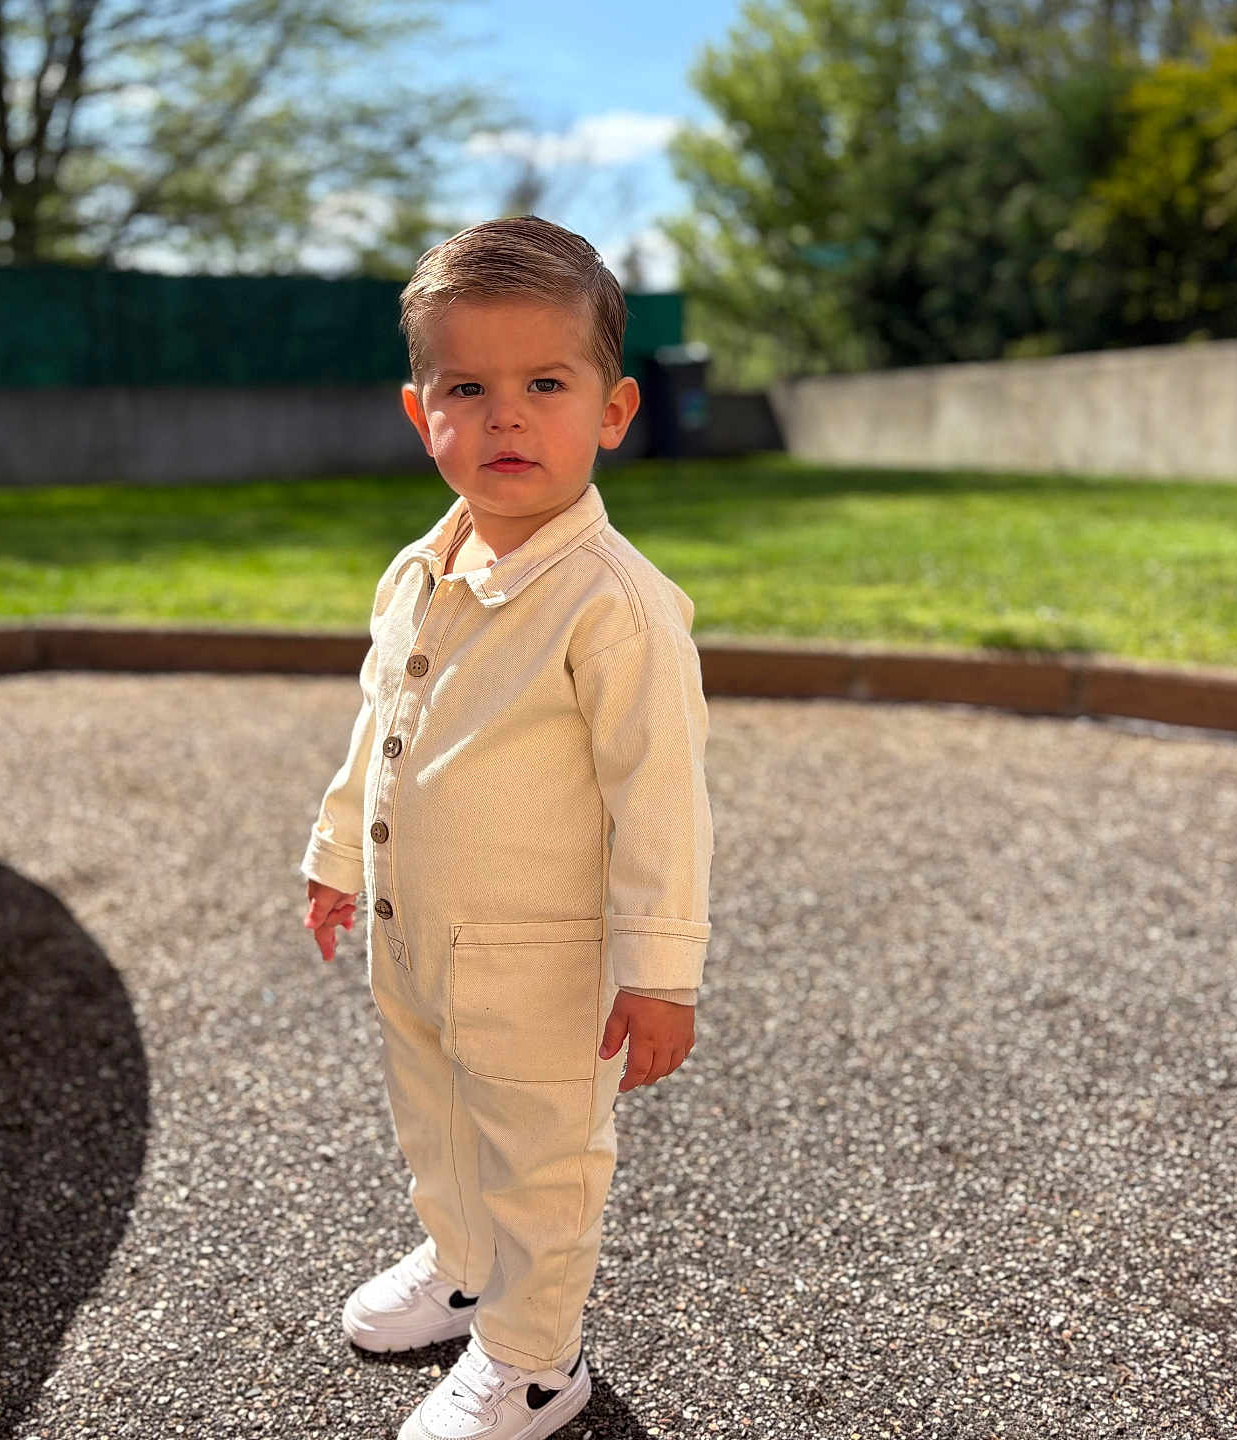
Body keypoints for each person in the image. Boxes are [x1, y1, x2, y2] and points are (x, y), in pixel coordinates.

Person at [299, 215, 714, 1440]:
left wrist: (661, 969)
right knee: (433, 1114)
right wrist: (335, 857)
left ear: (615, 409)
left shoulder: (616, 608)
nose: (506, 417)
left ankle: (534, 1359)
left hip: (543, 965)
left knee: (540, 1158)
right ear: (420, 412)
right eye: (466, 388)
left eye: (546, 383)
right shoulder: (419, 567)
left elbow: (663, 797)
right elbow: (380, 722)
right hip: (416, 936)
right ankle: (461, 1262)